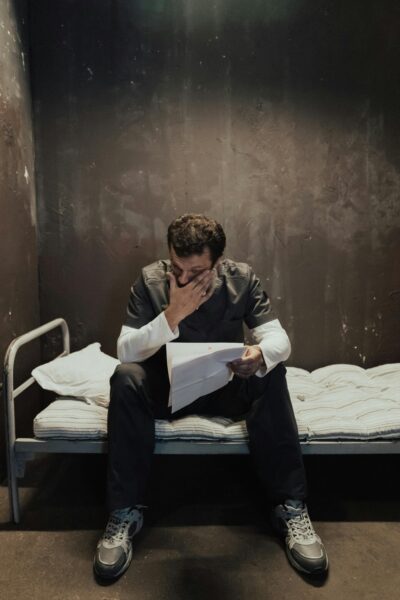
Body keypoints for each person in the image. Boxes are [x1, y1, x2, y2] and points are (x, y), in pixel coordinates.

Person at [93, 213, 328, 581]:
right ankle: (124, 512)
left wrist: (259, 356)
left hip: (223, 387)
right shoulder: (151, 280)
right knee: (125, 377)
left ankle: (290, 506)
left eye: (197, 271)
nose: (184, 278)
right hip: (166, 390)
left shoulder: (241, 279)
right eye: (177, 267)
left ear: (218, 263)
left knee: (273, 369)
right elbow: (125, 350)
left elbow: (279, 339)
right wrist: (172, 315)